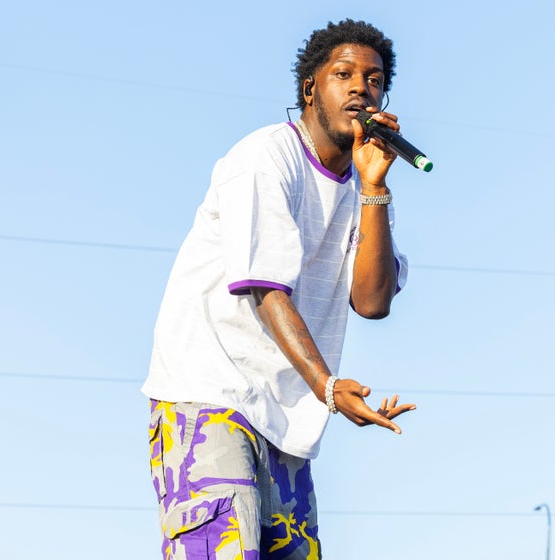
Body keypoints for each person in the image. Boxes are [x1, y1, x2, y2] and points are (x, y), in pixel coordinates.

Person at [142, 19, 416, 560]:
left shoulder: (364, 185)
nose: (361, 89)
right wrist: (327, 385)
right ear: (310, 89)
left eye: (375, 80)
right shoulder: (265, 157)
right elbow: (266, 290)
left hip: (287, 419)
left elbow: (372, 301)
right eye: (344, 74)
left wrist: (375, 186)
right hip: (209, 393)